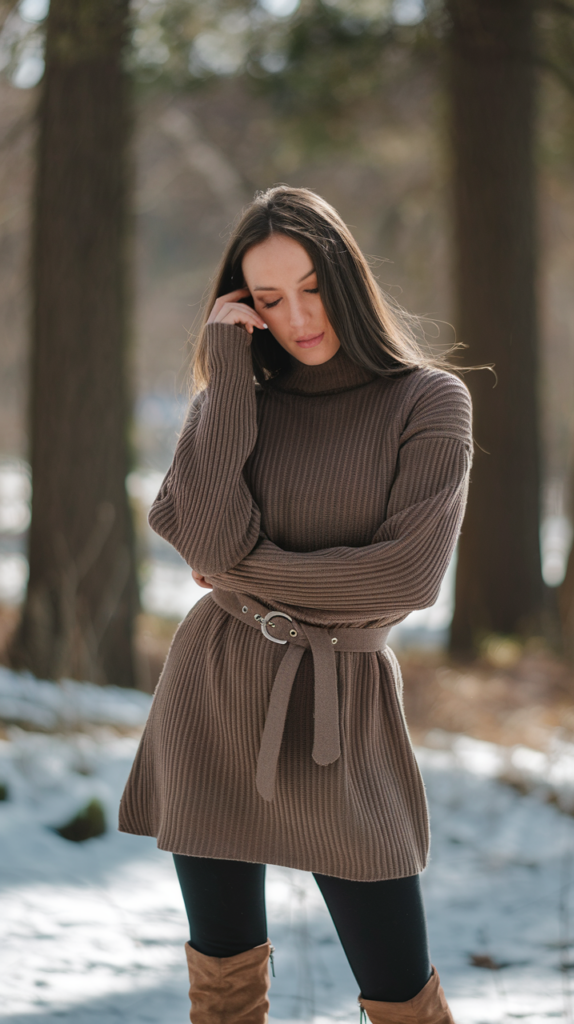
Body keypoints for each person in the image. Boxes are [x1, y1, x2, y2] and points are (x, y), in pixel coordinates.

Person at [119, 185, 472, 1024]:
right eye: (268, 300)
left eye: (312, 287)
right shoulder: (232, 403)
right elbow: (200, 536)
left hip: (339, 705)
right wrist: (230, 378)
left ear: (348, 278)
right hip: (214, 688)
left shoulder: (428, 401)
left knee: (398, 989)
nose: (298, 317)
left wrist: (248, 565)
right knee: (225, 981)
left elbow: (406, 577)